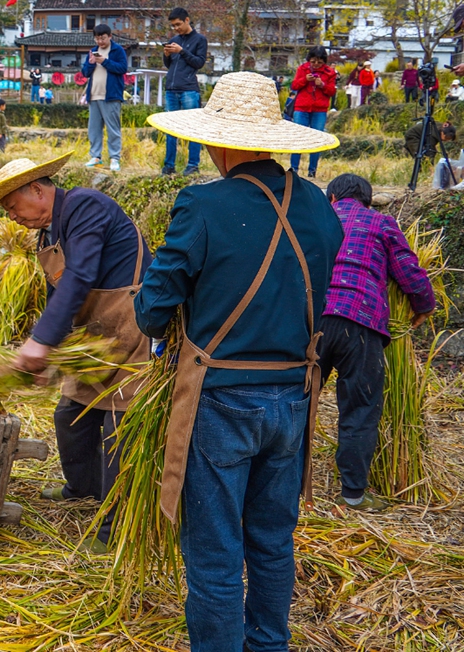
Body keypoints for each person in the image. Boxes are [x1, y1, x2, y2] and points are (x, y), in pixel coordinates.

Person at [135, 71, 343, 652]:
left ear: (221, 141)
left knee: (216, 549)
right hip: (294, 401)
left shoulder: (202, 203)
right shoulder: (320, 209)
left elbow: (154, 307)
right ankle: (268, 645)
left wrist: (158, 320)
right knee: (274, 542)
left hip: (222, 401)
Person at [0, 153, 151, 554]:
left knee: (119, 428)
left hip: (131, 327)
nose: (12, 216)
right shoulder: (46, 235)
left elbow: (81, 275)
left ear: (37, 189)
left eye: (13, 206)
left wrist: (40, 340)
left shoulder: (86, 206)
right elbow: (59, 292)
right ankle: (81, 489)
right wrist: (52, 350)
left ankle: (113, 531)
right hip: (95, 335)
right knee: (71, 415)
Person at [320, 174, 436, 512]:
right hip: (361, 321)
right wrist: (424, 305)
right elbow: (409, 270)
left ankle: (290, 486)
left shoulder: (315, 219)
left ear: (331, 198)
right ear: (367, 201)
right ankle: (353, 495)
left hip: (311, 323)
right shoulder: (381, 223)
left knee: (298, 403)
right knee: (359, 409)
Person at [161, 7, 208, 175]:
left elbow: (199, 62)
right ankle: (169, 165)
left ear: (187, 20)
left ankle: (193, 164)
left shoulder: (200, 40)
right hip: (171, 88)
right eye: (173, 25)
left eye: (178, 24)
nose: (176, 28)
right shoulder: (174, 39)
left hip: (189, 89)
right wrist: (166, 55)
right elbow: (170, 65)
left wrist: (182, 51)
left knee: (192, 128)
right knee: (170, 129)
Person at [80, 24, 128, 172]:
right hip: (94, 95)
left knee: (113, 128)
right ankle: (95, 157)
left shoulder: (117, 50)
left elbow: (122, 68)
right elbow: (85, 73)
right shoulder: (93, 51)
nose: (100, 42)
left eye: (103, 38)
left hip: (111, 96)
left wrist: (104, 62)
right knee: (93, 128)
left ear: (110, 37)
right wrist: (91, 63)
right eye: (97, 38)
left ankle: (114, 158)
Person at [289, 46, 337, 178]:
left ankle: (312, 171)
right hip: (301, 108)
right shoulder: (302, 69)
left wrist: (322, 85)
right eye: (313, 61)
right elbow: (294, 86)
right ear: (309, 60)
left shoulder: (330, 72)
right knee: (298, 138)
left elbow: (332, 92)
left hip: (319, 110)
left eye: (319, 62)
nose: (316, 64)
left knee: (317, 140)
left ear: (324, 61)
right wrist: (305, 79)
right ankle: (293, 170)